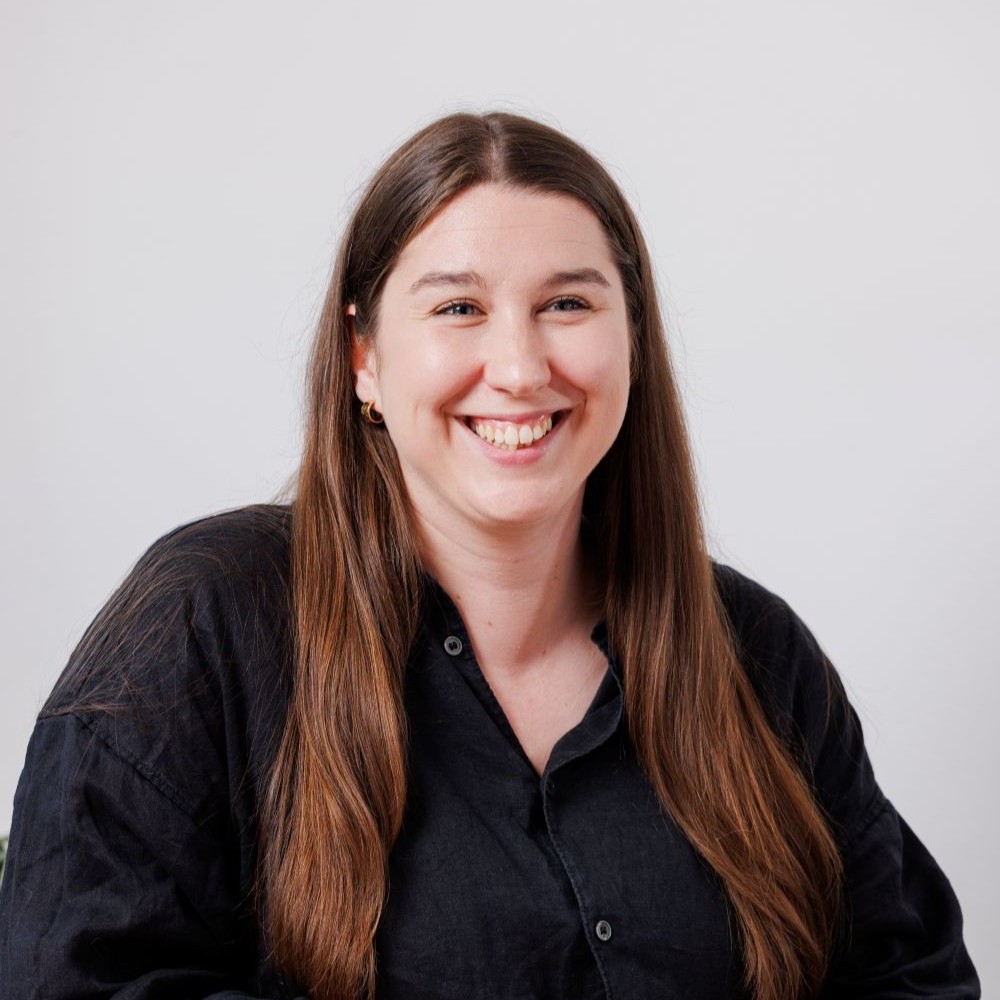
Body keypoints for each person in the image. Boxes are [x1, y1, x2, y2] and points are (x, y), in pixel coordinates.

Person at [0, 112, 980, 1000]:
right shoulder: (206, 619)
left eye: (567, 304)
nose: (518, 368)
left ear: (629, 339)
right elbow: (76, 980)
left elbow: (909, 976)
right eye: (457, 308)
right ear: (363, 357)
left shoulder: (755, 652)